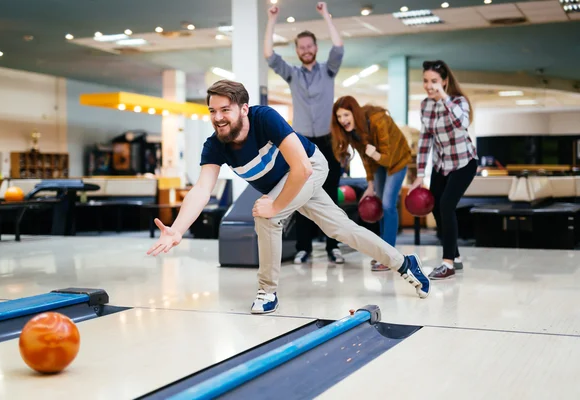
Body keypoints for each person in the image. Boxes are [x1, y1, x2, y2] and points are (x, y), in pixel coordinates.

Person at [147, 80, 431, 314]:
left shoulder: (264, 119)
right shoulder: (215, 145)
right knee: (342, 229)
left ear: (243, 109)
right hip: (290, 180)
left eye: (225, 110)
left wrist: (275, 206)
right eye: (212, 111)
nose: (218, 117)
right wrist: (178, 229)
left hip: (311, 167)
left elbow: (302, 168)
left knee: (266, 216)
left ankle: (267, 292)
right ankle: (405, 264)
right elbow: (201, 189)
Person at [264, 2, 345, 264]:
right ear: (297, 51)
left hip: (328, 140)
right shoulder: (293, 75)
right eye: (302, 47)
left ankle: (334, 247)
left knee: (331, 195)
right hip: (302, 143)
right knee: (300, 194)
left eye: (310, 46)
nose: (306, 50)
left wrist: (325, 15)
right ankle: (304, 248)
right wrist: (272, 19)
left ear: (315, 49)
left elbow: (339, 47)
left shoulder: (328, 70)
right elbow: (268, 55)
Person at [410, 60, 478, 280]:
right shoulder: (425, 105)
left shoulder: (458, 102)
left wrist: (445, 98)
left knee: (447, 205)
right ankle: (455, 256)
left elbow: (462, 123)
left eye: (434, 82)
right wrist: (420, 175)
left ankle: (447, 263)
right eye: (426, 81)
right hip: (441, 164)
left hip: (463, 163)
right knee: (436, 207)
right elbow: (425, 140)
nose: (429, 86)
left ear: (445, 81)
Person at [331, 96, 411, 272]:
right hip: (377, 164)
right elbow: (365, 158)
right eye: (339, 116)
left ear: (355, 112)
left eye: (346, 114)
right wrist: (370, 184)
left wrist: (374, 155)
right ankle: (383, 252)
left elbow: (388, 159)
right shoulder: (352, 132)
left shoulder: (378, 120)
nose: (343, 120)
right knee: (381, 205)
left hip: (397, 161)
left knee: (389, 205)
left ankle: (390, 257)